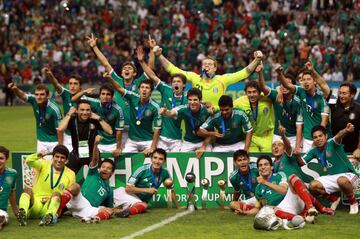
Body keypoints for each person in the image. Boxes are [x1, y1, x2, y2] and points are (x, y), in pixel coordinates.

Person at [87, 34, 155, 148]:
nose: (126, 69)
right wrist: (94, 47)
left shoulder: (140, 83)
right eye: (124, 69)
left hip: (136, 129)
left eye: (130, 68)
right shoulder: (116, 80)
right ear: (122, 73)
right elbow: (105, 63)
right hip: (118, 128)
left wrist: (152, 50)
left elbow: (150, 68)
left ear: (134, 73)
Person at [154, 44, 263, 108]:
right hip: (199, 118)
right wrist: (159, 56)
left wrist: (257, 60)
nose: (206, 66)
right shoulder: (194, 77)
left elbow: (243, 73)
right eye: (204, 64)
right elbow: (174, 70)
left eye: (209, 64)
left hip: (217, 118)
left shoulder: (222, 80)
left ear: (215, 68)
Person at [235, 155, 330, 225]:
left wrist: (265, 182)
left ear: (271, 167)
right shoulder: (258, 188)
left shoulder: (280, 175)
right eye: (260, 165)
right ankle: (302, 218)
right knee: (271, 209)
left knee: (292, 177)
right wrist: (245, 213)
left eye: (266, 164)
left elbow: (283, 191)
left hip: (292, 200)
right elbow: (257, 208)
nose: (263, 167)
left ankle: (310, 208)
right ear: (258, 169)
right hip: (283, 210)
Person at [57, 135, 128, 223]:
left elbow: (107, 207)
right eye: (103, 167)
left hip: (88, 209)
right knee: (75, 186)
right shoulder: (93, 173)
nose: (105, 169)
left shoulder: (109, 190)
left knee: (108, 210)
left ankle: (92, 219)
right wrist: (95, 144)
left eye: (108, 168)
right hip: (79, 200)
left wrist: (115, 210)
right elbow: (94, 160)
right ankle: (57, 211)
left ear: (112, 173)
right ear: (99, 168)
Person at [296, 124, 359, 214]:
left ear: (326, 136)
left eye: (320, 136)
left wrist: (346, 130)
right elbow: (301, 162)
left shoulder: (332, 143)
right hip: (332, 177)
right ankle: (334, 199)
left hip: (349, 175)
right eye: (315, 137)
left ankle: (353, 202)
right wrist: (297, 155)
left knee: (341, 180)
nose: (318, 139)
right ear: (313, 140)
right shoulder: (314, 151)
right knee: (312, 186)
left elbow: (339, 135)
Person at [136, 46, 187, 151]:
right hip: (161, 139)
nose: (175, 84)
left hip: (176, 140)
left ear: (184, 85)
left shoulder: (187, 100)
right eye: (174, 82)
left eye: (178, 82)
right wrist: (142, 62)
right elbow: (152, 76)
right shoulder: (166, 90)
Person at [17, 145, 75, 226]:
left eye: (62, 158)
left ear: (66, 160)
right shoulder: (44, 164)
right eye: (57, 157)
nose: (59, 160)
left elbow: (67, 194)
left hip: (50, 205)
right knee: (27, 190)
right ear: (52, 157)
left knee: (56, 193)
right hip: (36, 203)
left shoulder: (71, 174)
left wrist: (51, 199)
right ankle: (23, 213)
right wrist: (38, 155)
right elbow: (28, 161)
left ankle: (48, 217)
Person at [278, 62, 331, 152]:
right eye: (303, 79)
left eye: (309, 79)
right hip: (307, 139)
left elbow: (324, 121)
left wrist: (318, 138)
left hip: (322, 137)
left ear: (314, 81)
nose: (305, 82)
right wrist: (280, 74)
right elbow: (286, 85)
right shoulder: (301, 92)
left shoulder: (321, 96)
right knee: (306, 165)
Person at [113, 148, 180, 215]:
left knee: (143, 205)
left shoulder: (165, 172)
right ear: (151, 159)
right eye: (155, 158)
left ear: (164, 161)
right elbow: (128, 188)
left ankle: (121, 210)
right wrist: (147, 190)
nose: (157, 161)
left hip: (138, 201)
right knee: (143, 206)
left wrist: (178, 207)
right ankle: (116, 211)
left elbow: (171, 190)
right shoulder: (142, 169)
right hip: (124, 194)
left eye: (160, 159)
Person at [311, 74, 360, 157]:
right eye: (340, 93)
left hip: (352, 152)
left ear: (352, 95)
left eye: (344, 93)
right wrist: (312, 71)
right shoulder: (334, 102)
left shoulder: (358, 109)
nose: (341, 96)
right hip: (334, 150)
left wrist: (359, 149)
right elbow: (323, 85)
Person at [57, 100, 113, 173]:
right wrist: (69, 114)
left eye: (87, 110)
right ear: (77, 111)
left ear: (91, 111)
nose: (85, 112)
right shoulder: (72, 119)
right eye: (82, 110)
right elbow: (60, 129)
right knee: (67, 175)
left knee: (97, 176)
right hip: (76, 153)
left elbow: (110, 131)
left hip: (92, 154)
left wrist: (99, 118)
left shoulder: (94, 120)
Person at [257, 64, 303, 153]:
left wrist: (297, 146)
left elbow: (299, 126)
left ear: (292, 86)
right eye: (282, 84)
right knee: (277, 159)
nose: (285, 86)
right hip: (278, 136)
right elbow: (263, 87)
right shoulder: (276, 95)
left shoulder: (298, 102)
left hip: (293, 137)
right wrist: (260, 73)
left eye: (288, 84)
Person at [8, 83, 63, 153]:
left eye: (42, 94)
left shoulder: (54, 109)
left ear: (48, 96)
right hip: (41, 141)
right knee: (41, 163)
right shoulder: (34, 100)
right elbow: (23, 96)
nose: (39, 97)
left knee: (55, 163)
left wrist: (60, 147)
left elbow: (60, 130)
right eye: (37, 94)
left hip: (54, 142)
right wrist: (15, 89)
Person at [72, 84, 124, 157]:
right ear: (99, 95)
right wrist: (84, 92)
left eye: (108, 94)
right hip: (96, 142)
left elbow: (119, 131)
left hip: (111, 144)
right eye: (103, 94)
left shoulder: (118, 110)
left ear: (112, 97)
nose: (105, 97)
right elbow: (74, 99)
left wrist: (118, 148)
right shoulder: (93, 102)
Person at [159, 88, 212, 156]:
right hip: (188, 142)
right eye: (190, 100)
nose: (192, 102)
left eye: (195, 100)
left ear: (200, 100)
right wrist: (165, 111)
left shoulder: (206, 111)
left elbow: (210, 133)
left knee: (209, 156)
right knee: (182, 159)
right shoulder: (183, 109)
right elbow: (171, 113)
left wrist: (203, 147)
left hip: (203, 141)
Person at [43, 67, 84, 152]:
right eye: (70, 83)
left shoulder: (86, 99)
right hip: (67, 137)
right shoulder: (66, 94)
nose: (72, 86)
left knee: (83, 161)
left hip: (82, 137)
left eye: (75, 84)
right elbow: (56, 85)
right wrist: (50, 75)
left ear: (80, 86)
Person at [234, 81, 274, 152]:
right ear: (246, 93)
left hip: (267, 136)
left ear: (259, 92)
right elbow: (227, 106)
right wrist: (214, 108)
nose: (252, 95)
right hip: (251, 138)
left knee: (268, 159)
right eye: (249, 92)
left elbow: (278, 94)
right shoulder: (240, 102)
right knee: (253, 159)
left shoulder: (267, 99)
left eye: (254, 92)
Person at [0, 146, 18, 230]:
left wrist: (16, 213)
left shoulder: (12, 174)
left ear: (6, 159)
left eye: (1, 158)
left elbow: (12, 193)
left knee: (2, 218)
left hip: (1, 211)